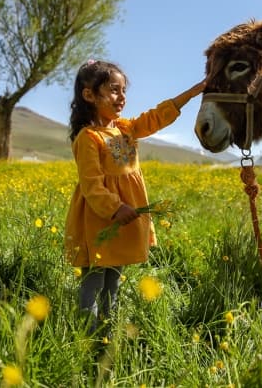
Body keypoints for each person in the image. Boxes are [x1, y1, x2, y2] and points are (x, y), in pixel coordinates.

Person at [64, 59, 205, 336]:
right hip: (100, 223)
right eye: (114, 90)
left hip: (123, 224)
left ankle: (106, 336)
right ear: (89, 95)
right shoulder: (88, 138)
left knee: (113, 283)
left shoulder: (125, 129)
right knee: (93, 284)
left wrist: (191, 93)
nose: (122, 97)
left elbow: (155, 118)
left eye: (123, 90)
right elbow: (91, 185)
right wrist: (116, 208)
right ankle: (86, 339)